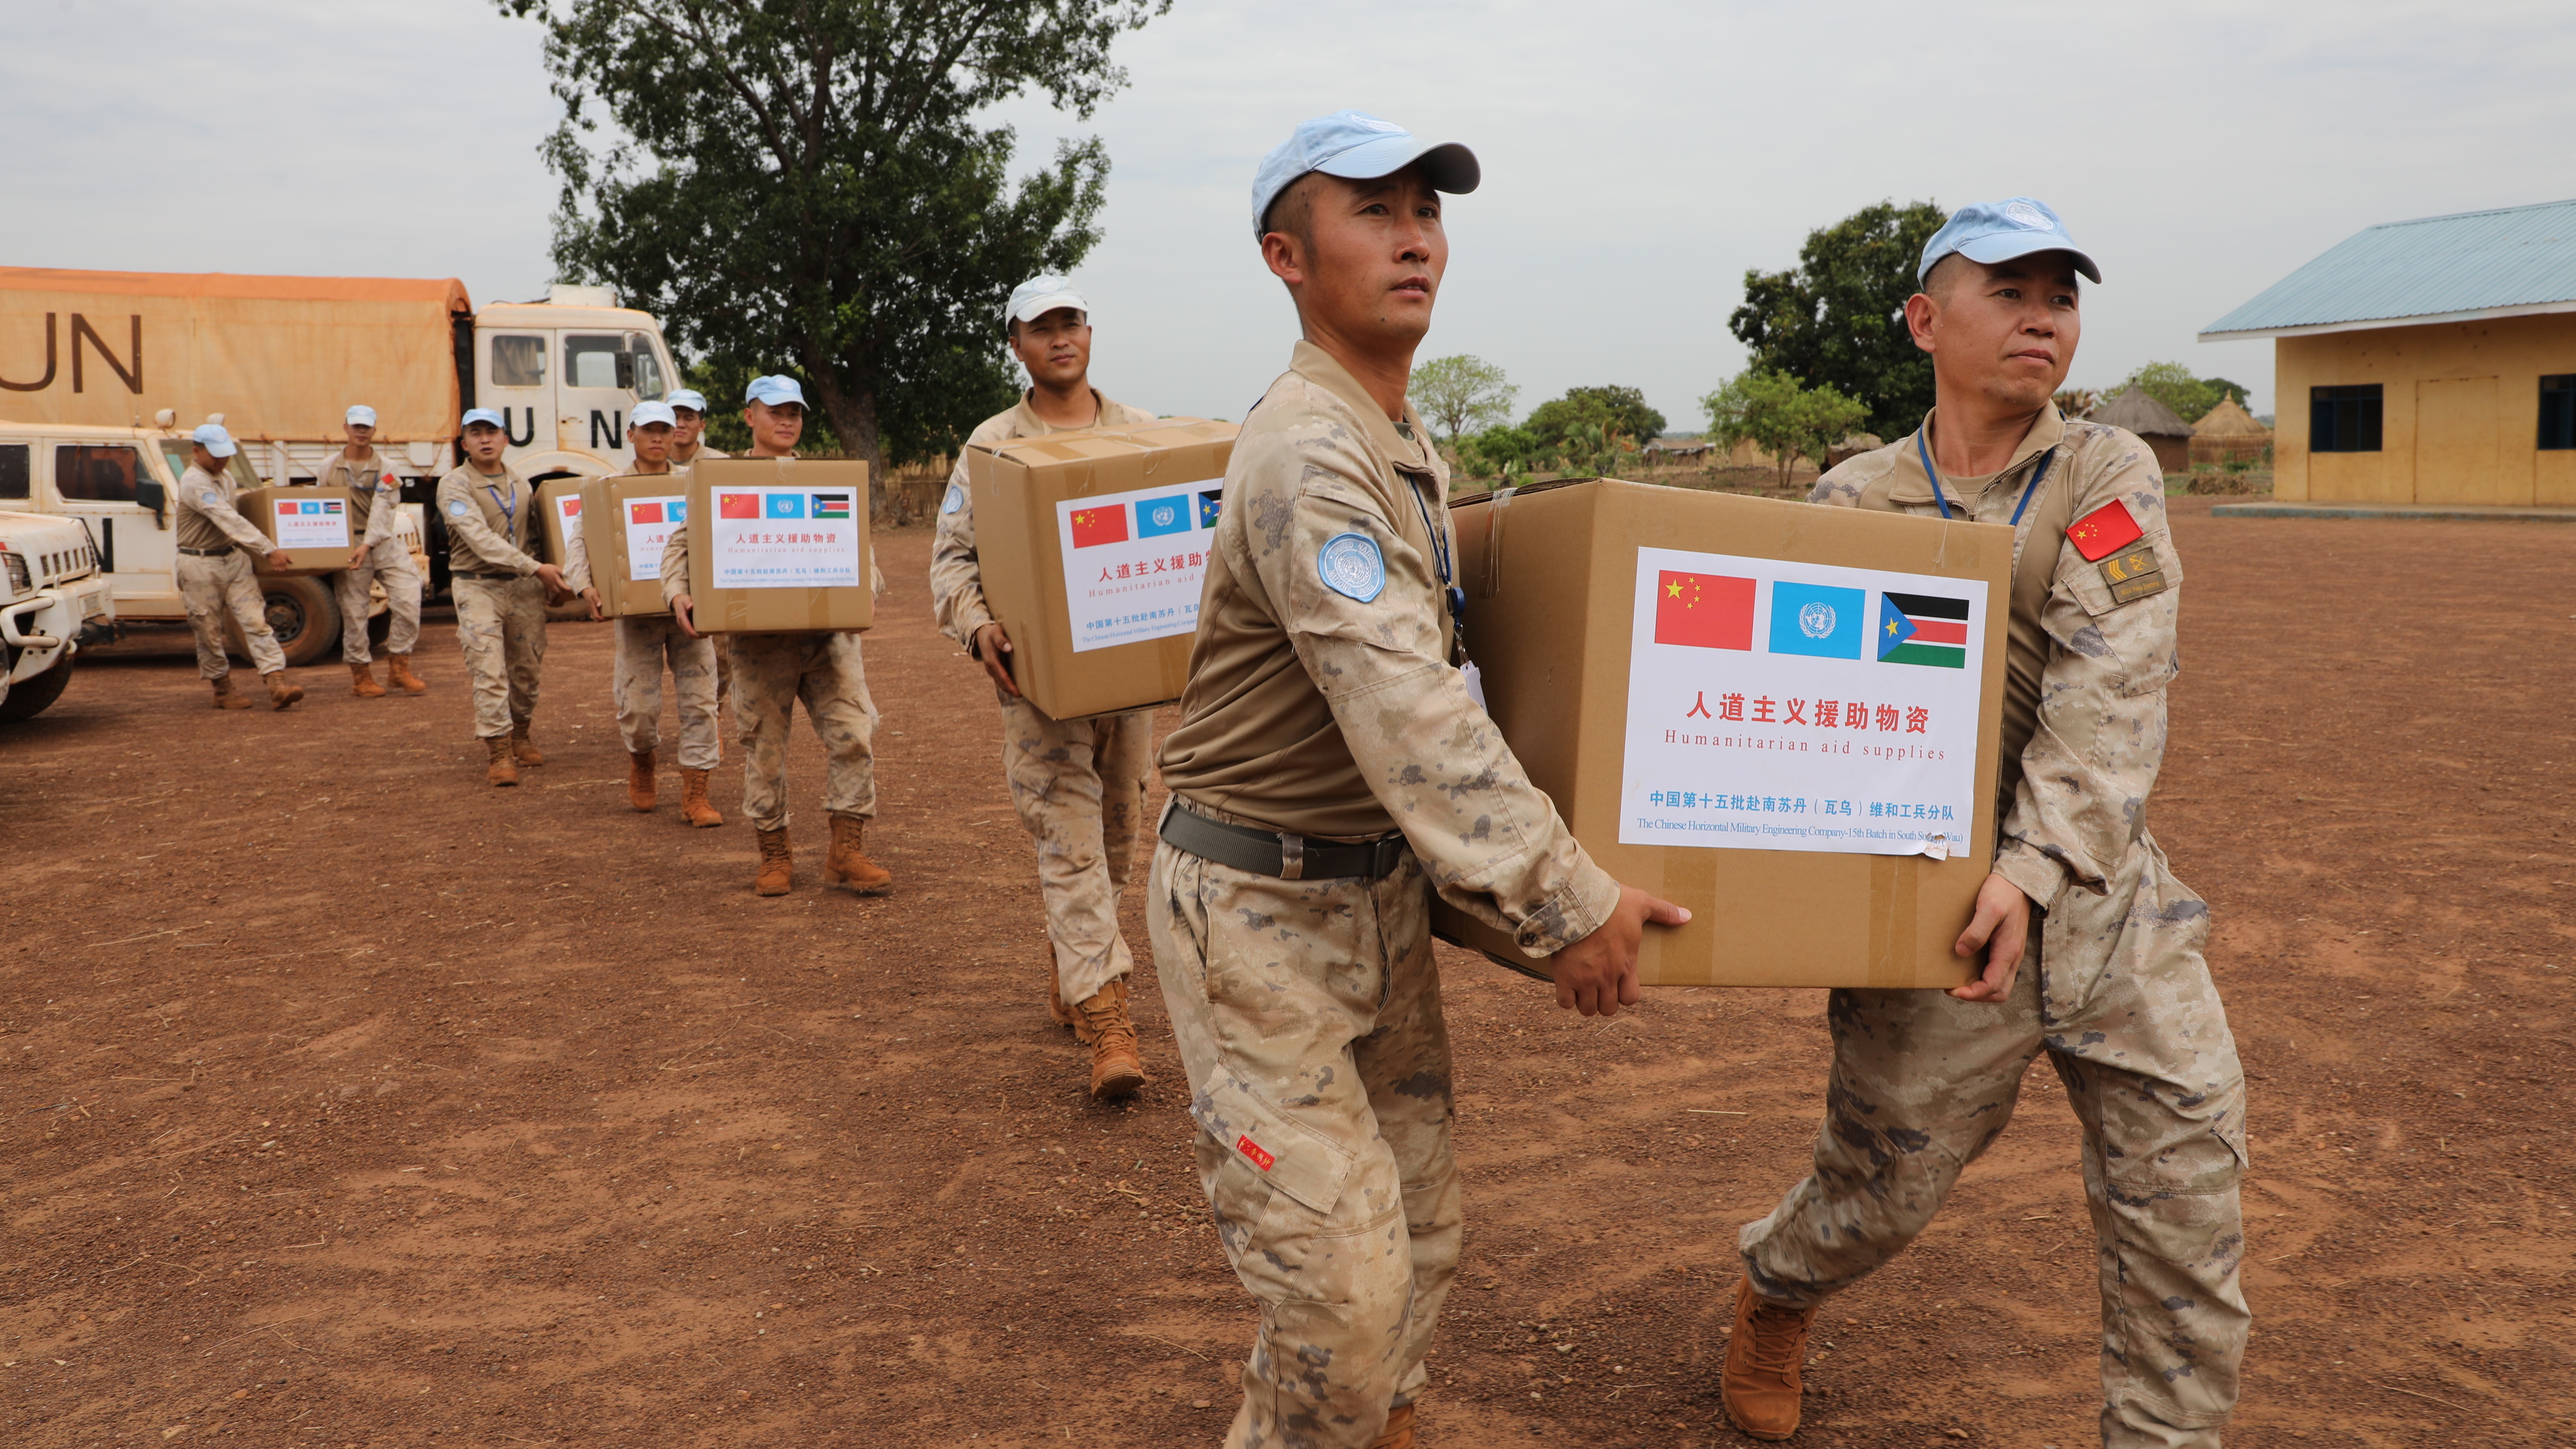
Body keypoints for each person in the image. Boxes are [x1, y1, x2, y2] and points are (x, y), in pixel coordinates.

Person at [1148, 111, 1686, 1449]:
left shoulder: (1393, 438)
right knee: (1339, 1299)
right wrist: (1562, 902)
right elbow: (1407, 708)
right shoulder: (1311, 454)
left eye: (1428, 213)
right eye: (1375, 212)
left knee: (1420, 1243)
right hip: (1257, 920)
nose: (1415, 238)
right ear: (1286, 254)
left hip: (1371, 902)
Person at [1717, 199, 2247, 1448]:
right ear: (1923, 320)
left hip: (2104, 907)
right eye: (2010, 291)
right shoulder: (1848, 501)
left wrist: (2040, 865)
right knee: (1876, 1197)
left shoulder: (2106, 473)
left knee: (2187, 1206)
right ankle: (1780, 1288)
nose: (2042, 317)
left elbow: (2111, 682)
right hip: (1929, 920)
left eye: (2061, 296)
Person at [928, 275, 1161, 1099]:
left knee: (1117, 842)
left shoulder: (1143, 436)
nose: (1061, 338)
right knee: (1068, 844)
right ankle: (1109, 1023)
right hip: (1036, 688)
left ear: (1090, 336)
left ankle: (1073, 971)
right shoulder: (991, 448)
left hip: (1127, 689)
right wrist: (979, 624)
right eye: (1042, 327)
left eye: (1073, 323)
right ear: (1017, 345)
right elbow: (953, 559)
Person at [665, 376, 890, 896]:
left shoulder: (822, 479)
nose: (787, 420)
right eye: (775, 411)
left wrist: (866, 587)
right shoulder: (719, 481)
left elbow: (858, 548)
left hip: (829, 640)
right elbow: (682, 545)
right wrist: (679, 595)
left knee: (854, 737)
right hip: (759, 645)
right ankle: (775, 853)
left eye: (795, 412)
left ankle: (846, 851)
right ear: (750, 417)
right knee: (765, 751)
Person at [564, 401, 723, 826]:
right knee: (638, 707)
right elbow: (579, 542)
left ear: (678, 437)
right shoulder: (608, 488)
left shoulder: (696, 484)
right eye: (649, 430)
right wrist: (585, 585)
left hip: (692, 614)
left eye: (666, 431)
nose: (658, 438)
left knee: (702, 701)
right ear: (631, 434)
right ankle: (642, 760)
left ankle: (697, 794)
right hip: (636, 618)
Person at [436, 407, 568, 787]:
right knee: (489, 669)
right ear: (465, 443)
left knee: (528, 671)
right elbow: (479, 539)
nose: (485, 439)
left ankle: (521, 733)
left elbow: (537, 537)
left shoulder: (523, 485)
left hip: (523, 587)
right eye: (476, 433)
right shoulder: (454, 485)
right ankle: (498, 751)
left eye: (492, 432)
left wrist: (551, 579)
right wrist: (536, 568)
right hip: (477, 585)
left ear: (506, 439)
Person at [173, 421, 305, 711]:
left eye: (225, 454)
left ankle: (277, 683)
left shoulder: (226, 478)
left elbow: (240, 512)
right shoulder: (195, 482)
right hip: (199, 563)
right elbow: (227, 518)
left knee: (256, 620)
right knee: (207, 628)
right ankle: (222, 688)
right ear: (196, 452)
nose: (222, 460)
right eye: (216, 455)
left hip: (232, 559)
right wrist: (268, 549)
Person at [318, 404, 427, 697]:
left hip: (382, 542)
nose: (361, 432)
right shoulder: (328, 468)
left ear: (375, 431)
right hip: (348, 545)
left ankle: (398, 667)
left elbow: (384, 508)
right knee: (354, 611)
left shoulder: (387, 468)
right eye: (356, 426)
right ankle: (361, 677)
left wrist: (368, 544)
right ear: (346, 429)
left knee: (409, 596)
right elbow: (321, 510)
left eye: (367, 427)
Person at [667, 389, 729, 468]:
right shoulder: (653, 463)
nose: (680, 425)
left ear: (702, 426)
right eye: (675, 418)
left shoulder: (720, 463)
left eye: (689, 419)